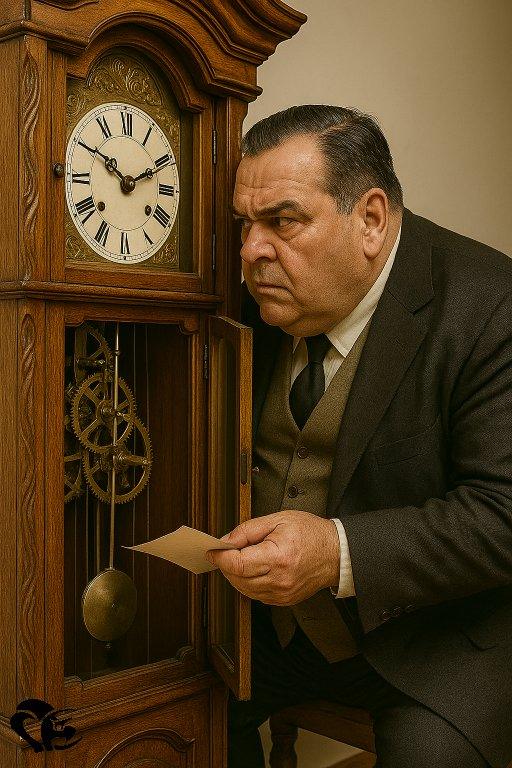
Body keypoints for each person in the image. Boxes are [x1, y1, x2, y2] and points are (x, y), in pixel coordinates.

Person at [207, 105, 512, 768]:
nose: (250, 251)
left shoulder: (491, 307)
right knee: (153, 712)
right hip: (269, 634)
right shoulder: (245, 307)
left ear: (370, 218)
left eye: (282, 220)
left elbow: (502, 516)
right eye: (244, 224)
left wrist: (334, 552)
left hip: (433, 640)